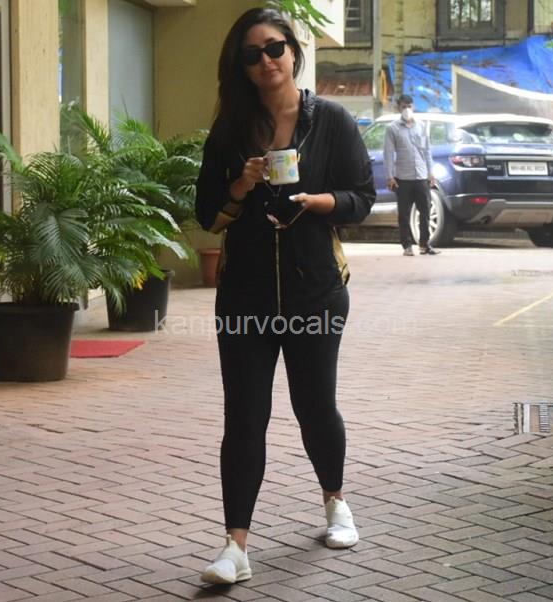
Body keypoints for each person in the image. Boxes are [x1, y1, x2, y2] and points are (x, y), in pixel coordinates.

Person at [194, 7, 376, 586]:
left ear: (293, 52)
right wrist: (241, 185)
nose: (266, 61)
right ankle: (235, 547)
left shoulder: (332, 121)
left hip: (314, 292)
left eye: (274, 48)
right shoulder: (230, 130)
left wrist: (320, 203)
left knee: (314, 406)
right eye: (252, 54)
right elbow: (207, 216)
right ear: (241, 66)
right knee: (244, 417)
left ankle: (336, 503)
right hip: (245, 299)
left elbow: (363, 196)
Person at [383, 94, 440, 256]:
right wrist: (390, 176)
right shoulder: (392, 128)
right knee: (404, 214)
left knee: (425, 212)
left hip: (421, 176)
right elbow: (388, 153)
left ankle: (424, 244)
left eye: (409, 106)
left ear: (413, 107)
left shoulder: (421, 126)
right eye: (403, 106)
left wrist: (430, 172)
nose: (407, 109)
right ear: (398, 108)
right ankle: (407, 245)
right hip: (403, 178)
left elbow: (427, 151)